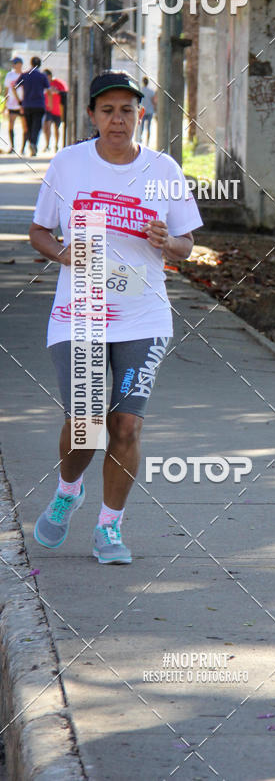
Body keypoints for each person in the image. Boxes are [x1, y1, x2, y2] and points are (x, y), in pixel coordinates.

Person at [29, 70, 202, 564]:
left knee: (125, 426)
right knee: (85, 425)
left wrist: (167, 242)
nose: (118, 119)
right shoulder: (68, 164)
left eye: (127, 109)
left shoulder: (163, 169)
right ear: (91, 116)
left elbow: (188, 243)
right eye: (108, 110)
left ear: (140, 115)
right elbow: (39, 233)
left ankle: (110, 528)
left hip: (143, 316)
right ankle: (67, 490)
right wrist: (65, 255)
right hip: (78, 313)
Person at [15, 55, 49, 156]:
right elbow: (48, 89)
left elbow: (14, 87)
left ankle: (31, 142)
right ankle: (33, 143)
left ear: (31, 64)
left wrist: (19, 101)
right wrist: (49, 103)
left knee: (29, 126)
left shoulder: (25, 75)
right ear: (39, 65)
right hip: (39, 105)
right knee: (36, 126)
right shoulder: (42, 76)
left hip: (27, 104)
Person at [3, 56, 26, 154]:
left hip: (23, 104)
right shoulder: (9, 75)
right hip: (12, 104)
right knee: (11, 125)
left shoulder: (25, 75)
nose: (13, 65)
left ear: (20, 64)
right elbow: (7, 90)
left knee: (25, 126)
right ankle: (12, 147)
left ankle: (23, 148)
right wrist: (5, 105)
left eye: (15, 63)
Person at [42, 70, 67, 152]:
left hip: (58, 110)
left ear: (50, 76)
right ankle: (47, 145)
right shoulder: (43, 84)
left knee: (57, 128)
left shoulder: (59, 83)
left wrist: (57, 92)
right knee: (47, 127)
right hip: (48, 110)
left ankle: (56, 144)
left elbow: (65, 93)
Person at [139, 77, 157, 145]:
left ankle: (140, 139)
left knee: (142, 126)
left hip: (142, 111)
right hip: (150, 111)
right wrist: (155, 110)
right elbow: (154, 101)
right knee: (149, 127)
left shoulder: (140, 90)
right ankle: (148, 141)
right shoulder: (151, 91)